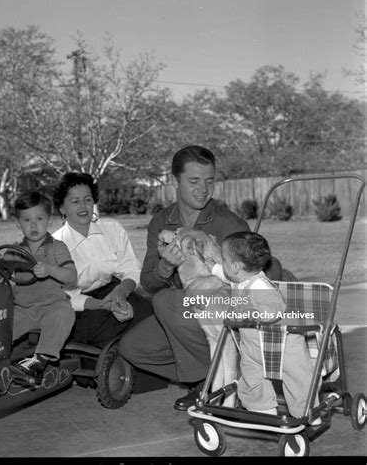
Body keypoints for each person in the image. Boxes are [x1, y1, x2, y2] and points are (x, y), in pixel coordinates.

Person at [119, 145, 284, 411]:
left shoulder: (229, 223)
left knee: (167, 301)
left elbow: (251, 280)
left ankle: (218, 381)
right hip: (184, 317)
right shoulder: (162, 221)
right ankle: (212, 372)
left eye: (209, 181)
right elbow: (148, 283)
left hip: (221, 312)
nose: (203, 189)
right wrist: (165, 266)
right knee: (133, 347)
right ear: (176, 181)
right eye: (194, 181)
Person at [0, 190, 77, 399]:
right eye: (27, 220)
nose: (33, 226)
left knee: (64, 315)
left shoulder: (57, 248)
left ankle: (39, 360)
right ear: (18, 224)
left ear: (49, 221)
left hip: (52, 305)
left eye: (39, 219)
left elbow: (71, 275)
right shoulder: (14, 250)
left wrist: (51, 270)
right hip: (23, 308)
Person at [209, 231, 316, 418]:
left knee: (298, 379)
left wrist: (256, 313)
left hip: (283, 345)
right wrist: (212, 266)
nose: (221, 263)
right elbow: (225, 274)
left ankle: (306, 413)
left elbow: (276, 306)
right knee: (251, 379)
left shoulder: (259, 286)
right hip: (252, 345)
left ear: (235, 267)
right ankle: (263, 410)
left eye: (223, 259)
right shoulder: (239, 279)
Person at [52, 172, 156, 348]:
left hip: (116, 292)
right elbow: (67, 297)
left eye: (87, 199)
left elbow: (131, 268)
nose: (83, 206)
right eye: (75, 201)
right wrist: (103, 305)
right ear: (62, 208)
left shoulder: (112, 228)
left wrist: (121, 292)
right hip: (82, 308)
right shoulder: (55, 246)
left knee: (150, 317)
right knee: (117, 340)